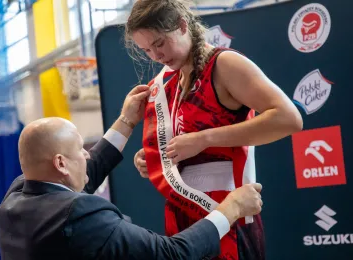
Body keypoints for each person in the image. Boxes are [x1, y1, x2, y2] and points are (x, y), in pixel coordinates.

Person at [0, 85, 264, 260]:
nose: (87, 154)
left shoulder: (17, 196)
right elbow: (172, 254)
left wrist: (126, 121)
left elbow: (88, 171)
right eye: (80, 149)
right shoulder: (82, 218)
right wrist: (231, 208)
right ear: (61, 163)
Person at [126, 0, 303, 259]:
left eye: (159, 44)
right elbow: (186, 145)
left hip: (229, 209)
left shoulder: (225, 64)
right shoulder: (169, 82)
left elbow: (290, 119)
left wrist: (204, 139)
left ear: (182, 26)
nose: (156, 56)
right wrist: (156, 160)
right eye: (146, 50)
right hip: (184, 213)